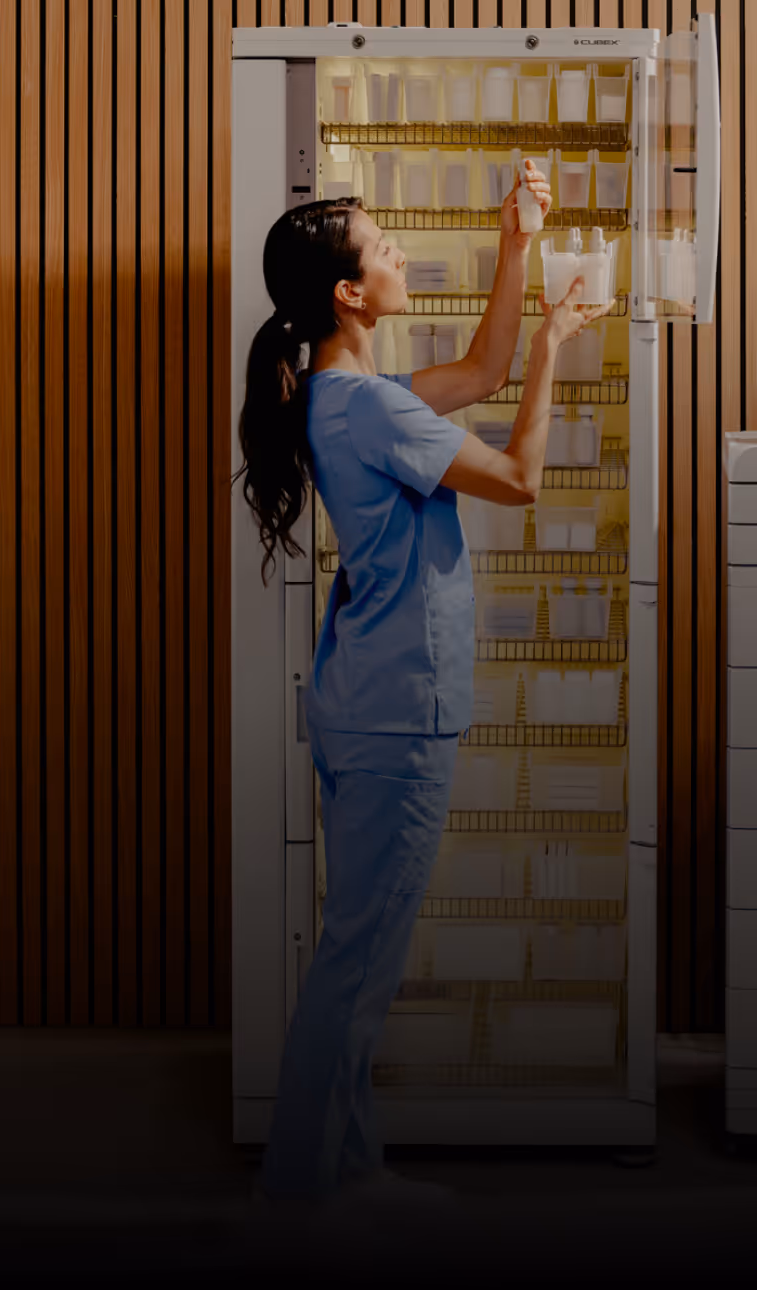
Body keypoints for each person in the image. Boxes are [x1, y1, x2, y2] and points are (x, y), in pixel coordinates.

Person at [233, 163, 613, 1214]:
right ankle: (303, 1195)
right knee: (359, 961)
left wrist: (517, 242)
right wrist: (552, 347)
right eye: (382, 244)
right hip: (397, 709)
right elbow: (522, 478)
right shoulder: (370, 413)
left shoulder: (350, 396)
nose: (397, 250)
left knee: (361, 951)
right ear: (349, 295)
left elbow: (479, 369)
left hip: (371, 701)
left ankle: (344, 1172)